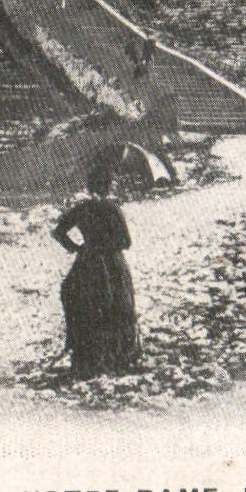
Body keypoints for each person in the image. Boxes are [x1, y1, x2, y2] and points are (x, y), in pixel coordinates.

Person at [52, 161, 140, 379]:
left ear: (91, 187)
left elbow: (58, 232)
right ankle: (117, 356)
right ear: (108, 186)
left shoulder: (82, 209)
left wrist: (77, 248)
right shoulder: (112, 209)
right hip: (110, 264)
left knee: (83, 304)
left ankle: (85, 354)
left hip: (88, 262)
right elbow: (126, 242)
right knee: (118, 306)